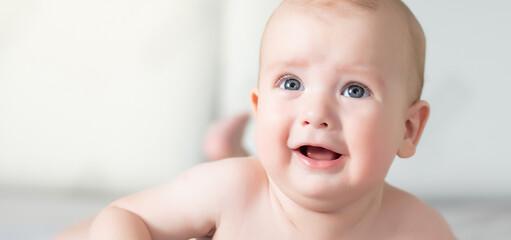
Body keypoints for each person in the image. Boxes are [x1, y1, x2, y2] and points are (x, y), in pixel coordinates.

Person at [56, 0, 456, 239]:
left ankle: (228, 148)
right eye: (291, 82)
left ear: (408, 129)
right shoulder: (231, 190)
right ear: (260, 106)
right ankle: (229, 152)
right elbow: (124, 215)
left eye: (354, 90)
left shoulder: (418, 229)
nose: (316, 114)